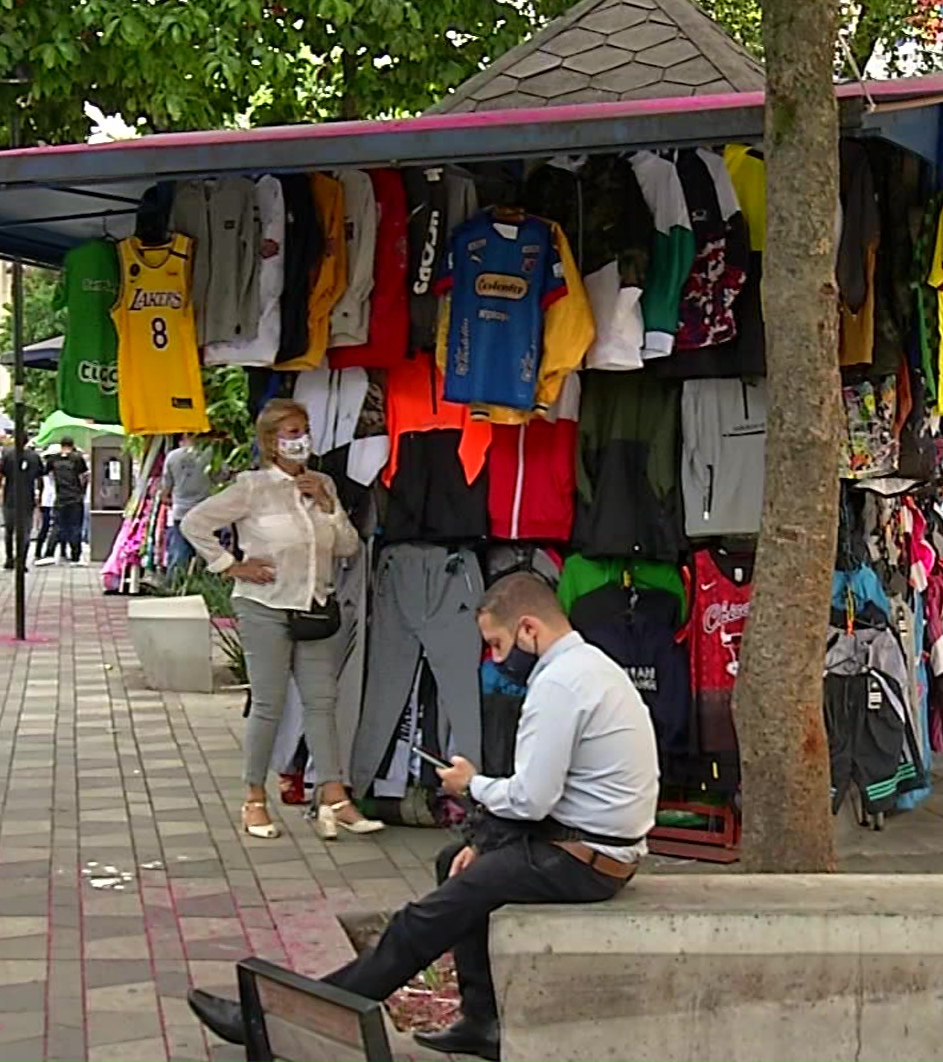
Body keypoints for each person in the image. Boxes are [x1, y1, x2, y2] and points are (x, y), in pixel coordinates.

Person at [185, 572, 659, 1060]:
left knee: (419, 921)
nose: (496, 660)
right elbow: (550, 800)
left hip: (582, 860)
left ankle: (284, 1017)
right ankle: (482, 1020)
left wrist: (469, 784)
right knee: (455, 861)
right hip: (590, 847)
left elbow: (532, 800)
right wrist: (485, 841)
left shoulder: (559, 685)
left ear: (529, 630)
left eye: (497, 645)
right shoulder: (589, 666)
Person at [180, 399, 382, 842]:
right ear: (271, 441)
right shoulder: (252, 487)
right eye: (290, 432)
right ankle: (254, 798)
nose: (299, 440)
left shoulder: (321, 482)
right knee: (270, 704)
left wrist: (328, 505)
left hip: (313, 605)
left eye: (304, 430)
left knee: (321, 701)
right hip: (265, 604)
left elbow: (348, 547)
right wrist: (230, 564)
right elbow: (195, 523)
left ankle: (333, 794)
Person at [161, 431, 215, 573]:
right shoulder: (211, 455)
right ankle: (203, 582)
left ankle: (176, 583)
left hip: (181, 510)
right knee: (207, 550)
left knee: (180, 549)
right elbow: (221, 477)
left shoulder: (172, 456)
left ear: (185, 436)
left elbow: (166, 487)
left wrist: (168, 498)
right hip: (205, 510)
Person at [0, 441, 44, 570]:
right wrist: (40, 495)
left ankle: (9, 558)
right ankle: (22, 561)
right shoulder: (34, 457)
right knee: (25, 531)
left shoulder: (7, 454)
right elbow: (40, 478)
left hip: (10, 498)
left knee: (9, 530)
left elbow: (0, 475)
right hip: (27, 498)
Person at [47, 436, 90, 566]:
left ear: (61, 445)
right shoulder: (77, 458)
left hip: (60, 496)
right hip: (75, 497)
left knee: (57, 526)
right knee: (75, 527)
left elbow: (48, 474)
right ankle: (75, 555)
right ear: (72, 445)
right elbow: (83, 476)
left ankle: (49, 553)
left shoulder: (53, 459)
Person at [32, 454, 59, 565]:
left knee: (48, 527)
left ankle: (41, 551)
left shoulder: (43, 475)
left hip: (49, 501)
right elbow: (40, 488)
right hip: (49, 501)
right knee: (47, 527)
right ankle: (41, 551)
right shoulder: (45, 475)